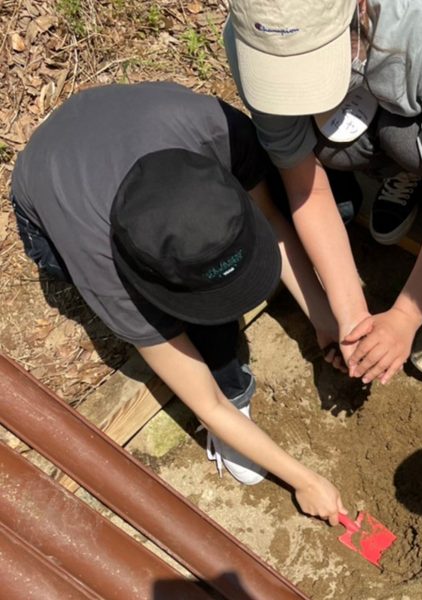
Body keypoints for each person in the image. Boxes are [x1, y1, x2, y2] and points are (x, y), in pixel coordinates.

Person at [10, 82, 348, 525]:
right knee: (199, 335)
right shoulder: (105, 269)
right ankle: (233, 402)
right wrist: (303, 479)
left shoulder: (220, 132)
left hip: (120, 121)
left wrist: (324, 317)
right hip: (48, 184)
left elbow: (268, 216)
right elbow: (206, 403)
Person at [223, 0, 422, 385]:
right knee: (334, 147)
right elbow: (307, 188)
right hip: (383, 79)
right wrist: (350, 316)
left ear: (361, 9)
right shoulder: (252, 38)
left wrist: (405, 316)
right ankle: (419, 172)